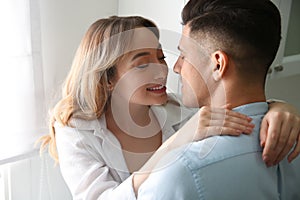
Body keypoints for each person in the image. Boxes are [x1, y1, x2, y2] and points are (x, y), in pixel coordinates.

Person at [37, 16, 299, 199]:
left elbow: (238, 105)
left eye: (161, 57)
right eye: (141, 65)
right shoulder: (75, 130)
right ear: (108, 79)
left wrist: (280, 108)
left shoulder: (176, 109)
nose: (163, 70)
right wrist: (173, 144)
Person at [136, 0, 300, 199]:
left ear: (217, 65)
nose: (177, 67)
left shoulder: (177, 175)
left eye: (183, 55)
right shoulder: (294, 139)